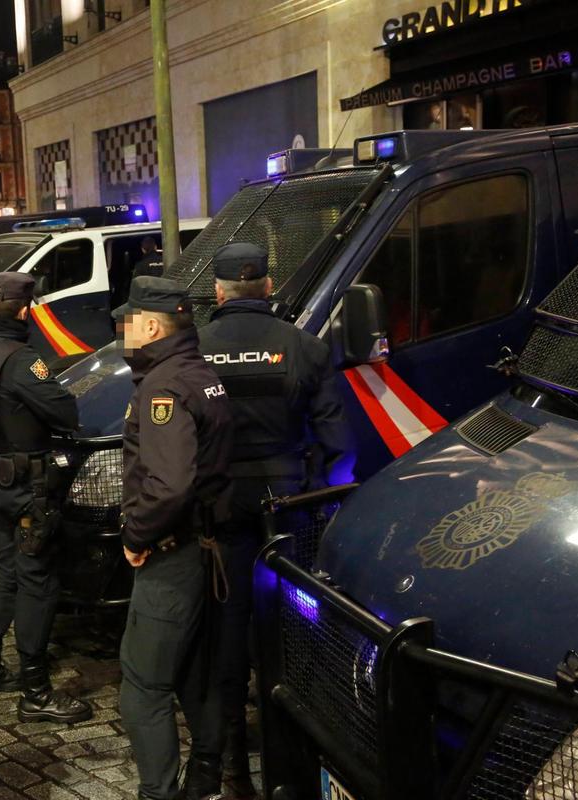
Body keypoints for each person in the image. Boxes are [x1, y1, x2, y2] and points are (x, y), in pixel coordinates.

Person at [197, 243, 353, 799]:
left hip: (220, 507)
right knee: (294, 625)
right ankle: (298, 755)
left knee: (229, 632)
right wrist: (322, 510)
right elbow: (337, 447)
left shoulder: (195, 350)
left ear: (218, 291)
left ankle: (235, 770)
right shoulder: (305, 348)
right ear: (267, 285)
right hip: (287, 507)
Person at [115, 275, 234, 800]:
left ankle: (158, 792)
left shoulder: (162, 387)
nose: (124, 332)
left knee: (142, 686)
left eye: (129, 323)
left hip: (172, 552)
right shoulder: (198, 373)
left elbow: (169, 484)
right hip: (207, 546)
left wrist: (136, 533)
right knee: (194, 669)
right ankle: (206, 772)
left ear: (151, 325)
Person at [0, 272, 93, 724]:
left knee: (4, 572)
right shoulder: (20, 360)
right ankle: (35, 689)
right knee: (37, 580)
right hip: (27, 486)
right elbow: (65, 411)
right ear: (23, 309)